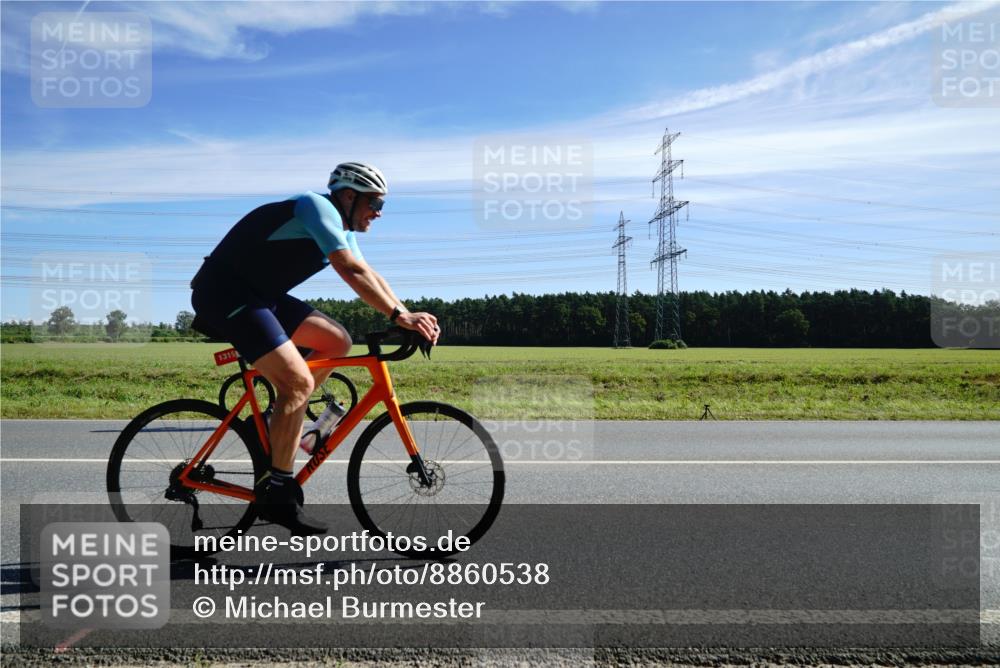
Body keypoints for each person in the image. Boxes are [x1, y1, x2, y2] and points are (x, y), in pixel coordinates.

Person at [190, 162, 439, 535]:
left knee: (337, 341)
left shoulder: (340, 226)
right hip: (224, 293)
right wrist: (399, 316)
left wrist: (405, 315)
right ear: (349, 196)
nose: (378, 213)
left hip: (261, 296)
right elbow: (349, 270)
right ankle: (278, 492)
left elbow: (369, 273)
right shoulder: (315, 206)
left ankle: (275, 420)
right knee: (298, 383)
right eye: (375, 203)